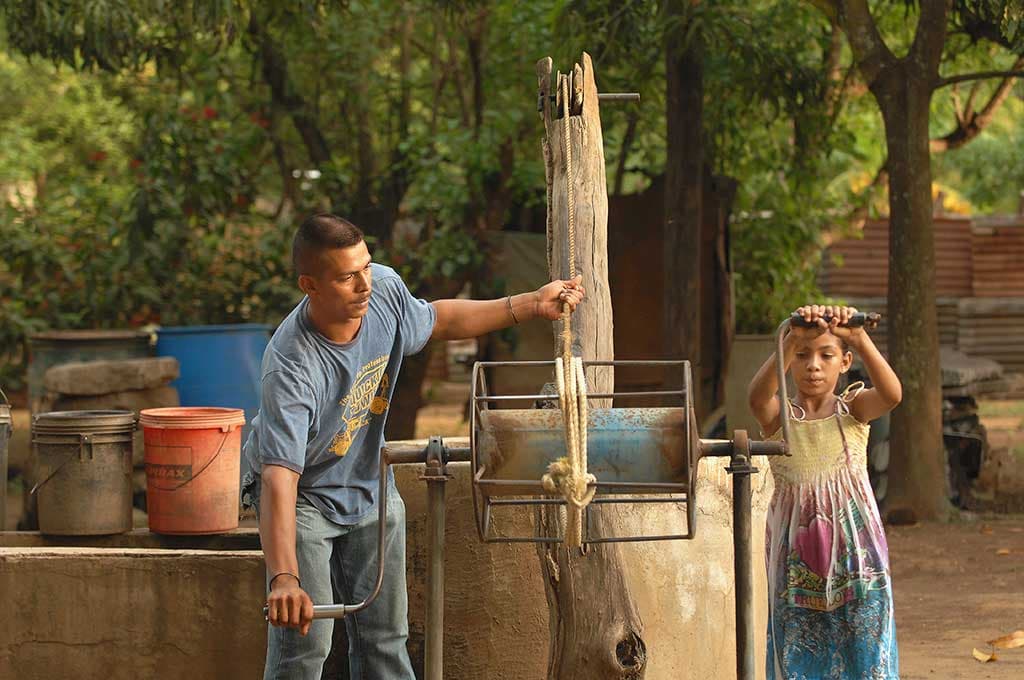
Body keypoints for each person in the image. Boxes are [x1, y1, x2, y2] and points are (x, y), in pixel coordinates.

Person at [241, 213, 585, 679]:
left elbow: (437, 318)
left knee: (385, 637)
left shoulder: (383, 290)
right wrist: (284, 577)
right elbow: (279, 479)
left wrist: (530, 303)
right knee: (305, 643)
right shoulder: (291, 366)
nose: (364, 284)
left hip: (369, 482)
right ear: (310, 285)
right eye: (346, 276)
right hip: (304, 499)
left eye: (366, 265)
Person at [747, 304, 902, 679]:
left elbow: (892, 394)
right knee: (800, 648)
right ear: (789, 363)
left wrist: (859, 338)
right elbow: (757, 399)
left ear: (845, 362)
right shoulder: (780, 418)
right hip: (796, 562)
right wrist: (791, 340)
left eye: (826, 355)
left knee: (866, 647)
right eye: (802, 356)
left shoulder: (853, 409)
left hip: (857, 557)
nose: (813, 366)